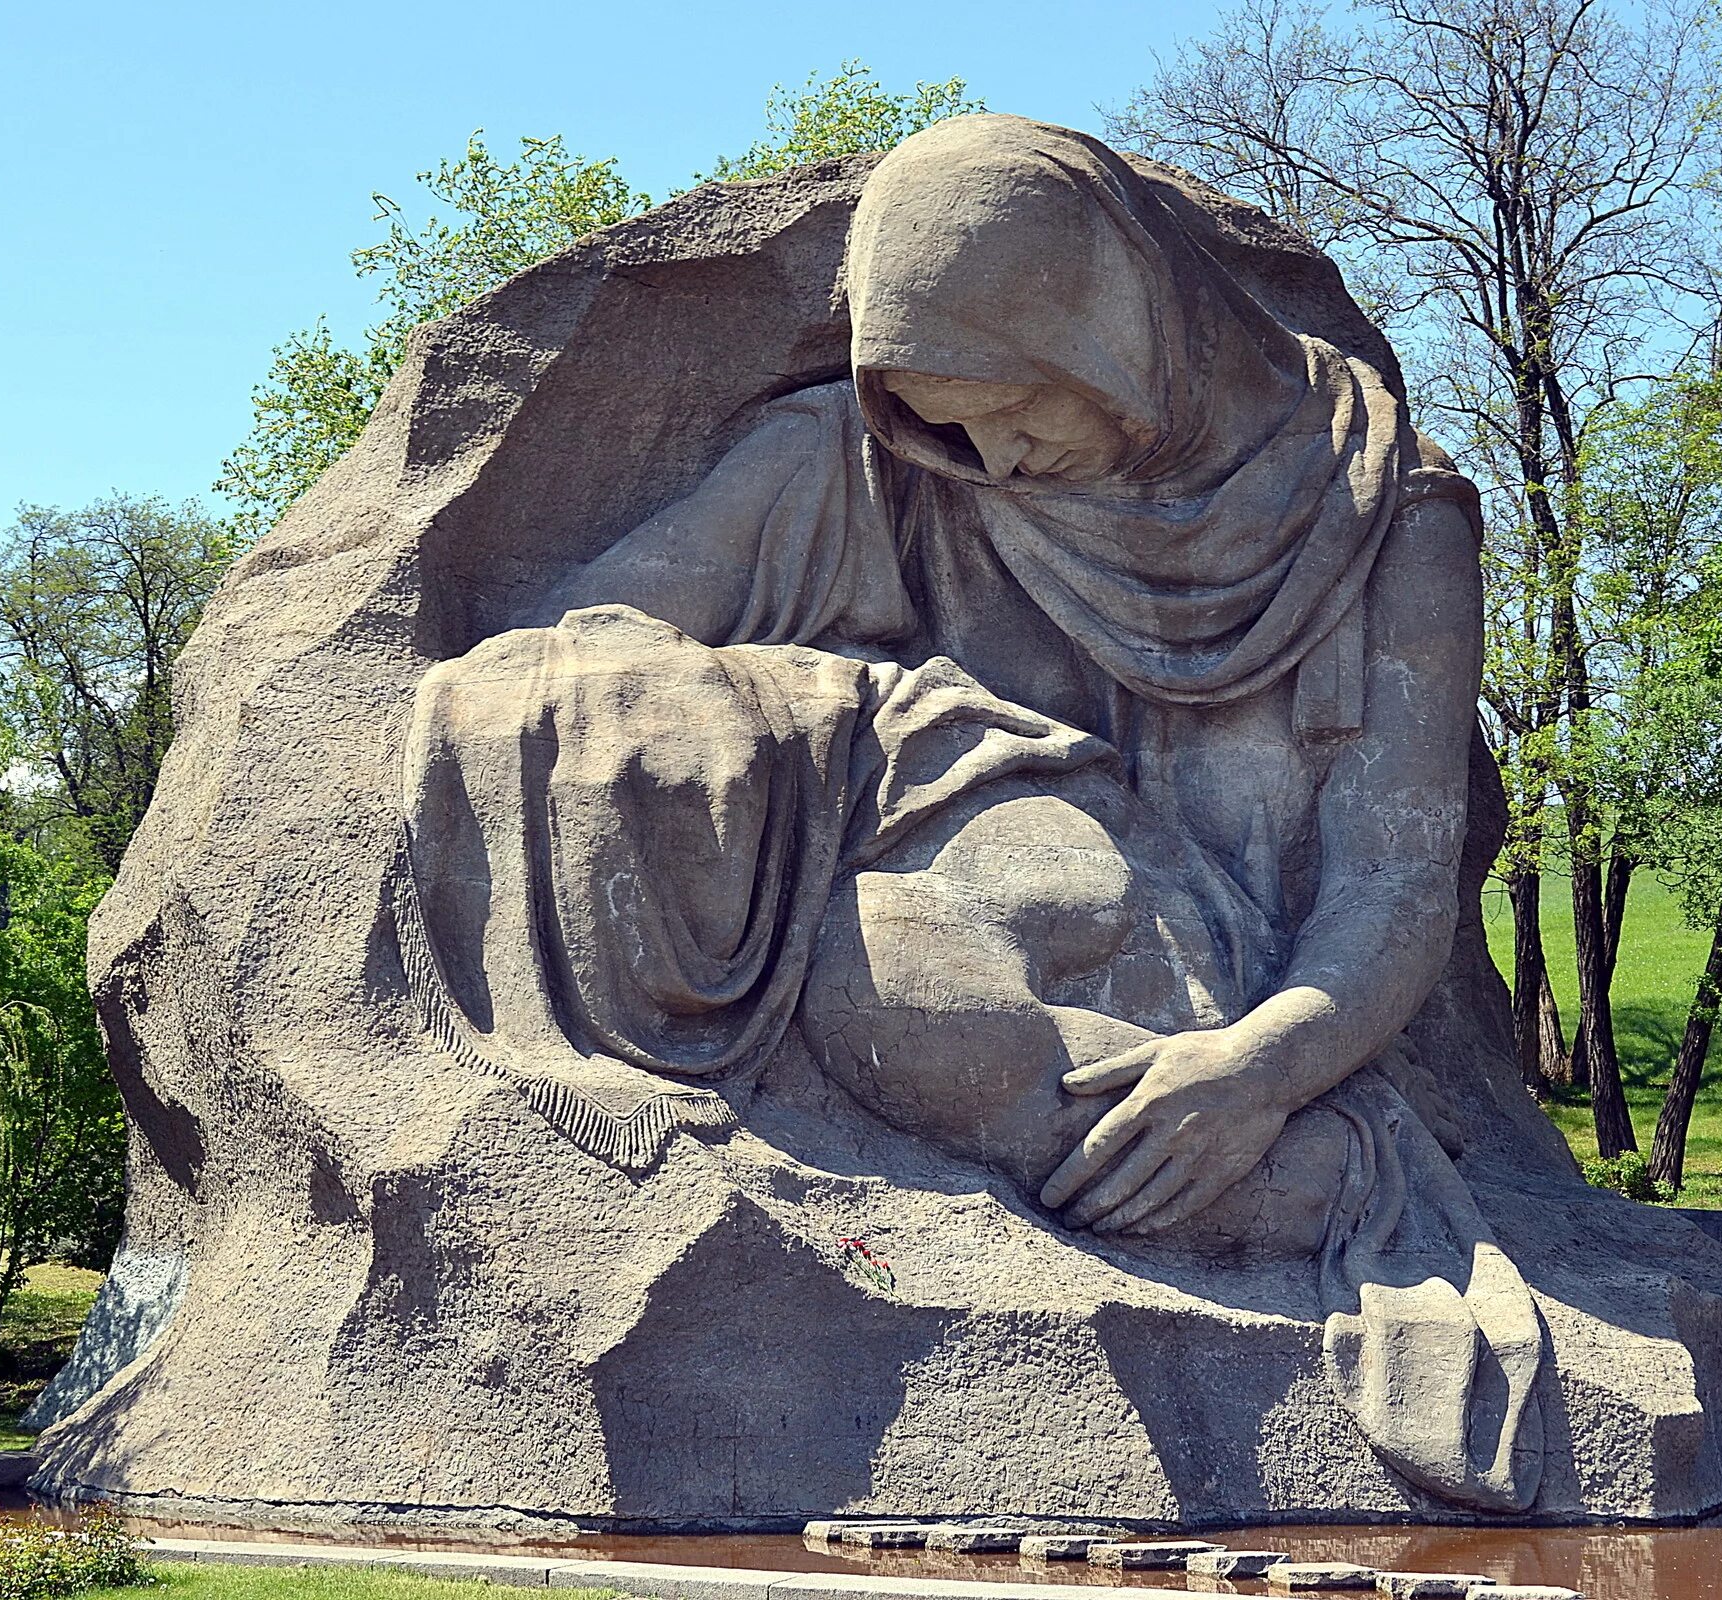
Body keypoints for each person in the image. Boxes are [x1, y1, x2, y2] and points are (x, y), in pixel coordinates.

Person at [397, 114, 1543, 1508]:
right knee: (883, 980)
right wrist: (724, 720)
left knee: (892, 990)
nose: (988, 461)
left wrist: (1260, 1069)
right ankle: (1291, 1183)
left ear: (1116, 323)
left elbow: (1394, 883)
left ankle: (1307, 1159)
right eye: (945, 419)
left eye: (1020, 407)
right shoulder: (872, 465)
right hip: (952, 883)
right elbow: (588, 637)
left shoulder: (1387, 514)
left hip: (1236, 982)